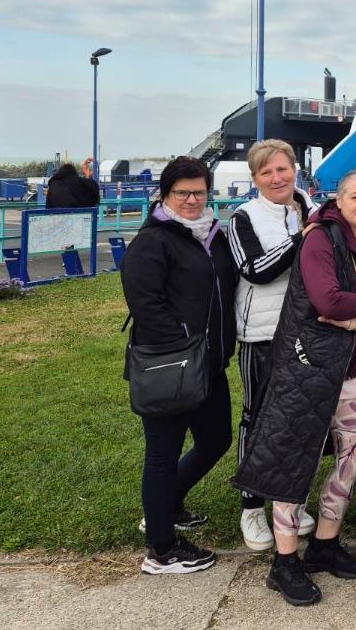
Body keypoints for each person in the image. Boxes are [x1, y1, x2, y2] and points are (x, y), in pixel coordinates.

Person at [234, 170, 356, 606]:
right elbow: (326, 300)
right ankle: (284, 561)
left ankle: (325, 544)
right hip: (309, 368)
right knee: (297, 461)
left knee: (355, 456)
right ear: (339, 200)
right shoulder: (319, 239)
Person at [120, 157, 237, 575]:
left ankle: (166, 506)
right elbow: (145, 304)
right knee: (162, 455)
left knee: (216, 440)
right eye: (182, 193)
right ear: (165, 194)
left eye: (199, 192)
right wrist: (184, 345)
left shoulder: (214, 236)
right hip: (169, 368)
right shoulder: (153, 241)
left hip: (209, 365)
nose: (191, 200)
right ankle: (162, 549)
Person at [226, 139, 317, 551]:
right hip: (262, 334)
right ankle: (251, 506)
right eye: (267, 172)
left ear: (295, 169)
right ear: (255, 178)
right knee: (258, 418)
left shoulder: (312, 209)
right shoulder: (243, 217)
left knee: (299, 420)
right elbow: (254, 269)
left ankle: (289, 499)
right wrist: (301, 240)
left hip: (308, 333)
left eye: (283, 169)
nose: (277, 178)